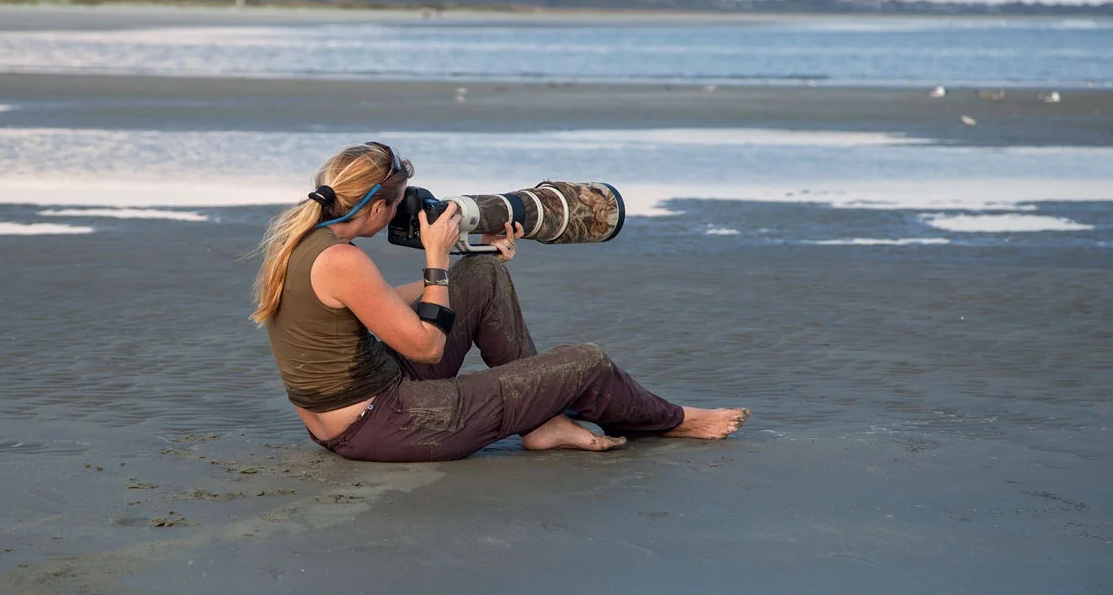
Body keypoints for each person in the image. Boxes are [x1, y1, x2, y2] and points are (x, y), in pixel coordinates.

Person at [251, 142, 749, 462]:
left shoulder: (306, 239)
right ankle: (676, 420)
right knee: (585, 362)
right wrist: (435, 258)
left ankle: (543, 422)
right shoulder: (342, 259)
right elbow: (426, 347)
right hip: (380, 423)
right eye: (398, 204)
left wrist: (474, 253)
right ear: (378, 207)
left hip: (366, 402)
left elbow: (372, 303)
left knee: (482, 274)